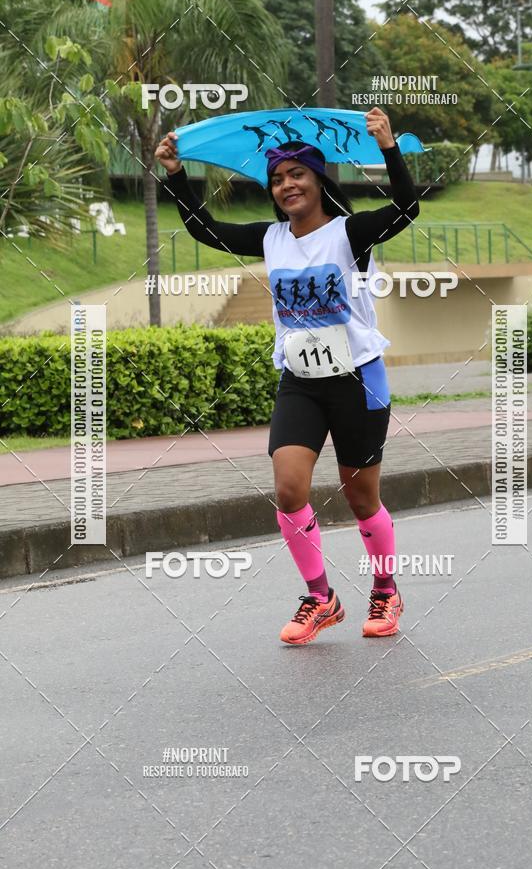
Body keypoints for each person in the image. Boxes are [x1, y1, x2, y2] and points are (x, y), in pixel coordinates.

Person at [155, 107, 420, 645]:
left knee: (361, 498)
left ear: (318, 180)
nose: (285, 185)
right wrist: (176, 175)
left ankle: (386, 589)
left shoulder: (350, 234)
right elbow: (205, 228)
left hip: (358, 379)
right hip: (300, 381)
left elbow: (407, 207)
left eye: (296, 174)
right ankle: (321, 598)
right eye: (277, 179)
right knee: (288, 488)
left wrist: (389, 147)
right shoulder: (272, 240)